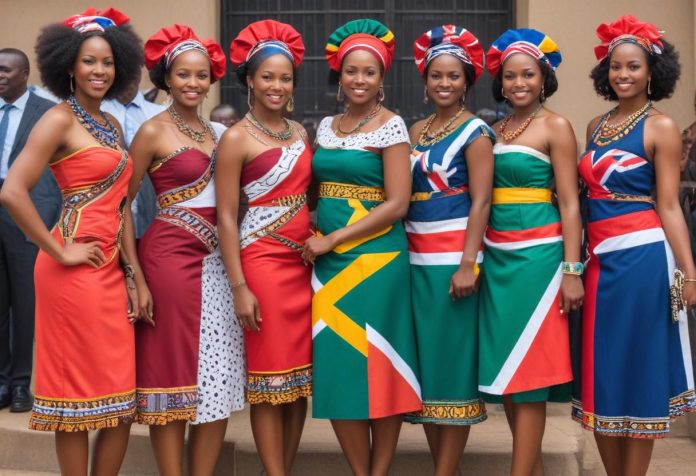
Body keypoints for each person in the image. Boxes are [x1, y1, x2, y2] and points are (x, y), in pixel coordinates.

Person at [0, 7, 142, 475]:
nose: (100, 71)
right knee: (75, 404)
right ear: (68, 67)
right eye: (89, 61)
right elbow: (12, 191)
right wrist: (57, 249)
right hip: (71, 273)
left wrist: (133, 275)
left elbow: (121, 206)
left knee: (121, 404)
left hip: (109, 270)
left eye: (108, 62)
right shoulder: (57, 120)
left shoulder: (112, 125)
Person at [573, 15, 696, 475]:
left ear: (652, 73)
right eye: (615, 66)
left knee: (638, 369)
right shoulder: (594, 126)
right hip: (597, 260)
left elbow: (669, 205)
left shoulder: (661, 127)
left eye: (633, 67)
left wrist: (689, 273)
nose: (622, 74)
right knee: (602, 371)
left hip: (643, 258)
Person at [124, 24, 245, 476]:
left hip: (219, 266)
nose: (193, 83)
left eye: (201, 75)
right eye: (183, 74)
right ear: (167, 78)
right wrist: (134, 276)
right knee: (171, 375)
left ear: (211, 80)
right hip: (168, 263)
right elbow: (121, 205)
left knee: (217, 375)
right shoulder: (152, 131)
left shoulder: (222, 132)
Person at [304, 19, 422, 476]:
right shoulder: (326, 127)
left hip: (377, 259)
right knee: (339, 365)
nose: (359, 79)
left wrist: (333, 238)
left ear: (382, 78)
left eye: (369, 72)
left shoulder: (392, 126)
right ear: (339, 74)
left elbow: (397, 204)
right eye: (351, 70)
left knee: (381, 363)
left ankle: (380, 470)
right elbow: (314, 191)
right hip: (329, 264)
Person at [478, 28, 583, 476]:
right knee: (511, 373)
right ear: (500, 84)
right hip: (497, 256)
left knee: (531, 374)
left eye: (528, 75)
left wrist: (572, 269)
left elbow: (571, 202)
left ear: (544, 79)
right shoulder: (492, 130)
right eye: (510, 76)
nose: (519, 83)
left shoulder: (556, 126)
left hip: (539, 259)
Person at [217, 20, 311, 476]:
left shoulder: (300, 133)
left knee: (297, 383)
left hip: (303, 265)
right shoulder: (236, 137)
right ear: (250, 80)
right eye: (268, 77)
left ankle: (283, 468)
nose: (277, 85)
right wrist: (239, 287)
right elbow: (226, 216)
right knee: (269, 382)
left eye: (285, 77)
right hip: (263, 264)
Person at [404, 25, 493, 476]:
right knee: (427, 371)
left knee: (453, 367)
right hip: (414, 257)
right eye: (436, 75)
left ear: (467, 81)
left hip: (453, 258)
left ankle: (444, 471)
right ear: (425, 80)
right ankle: (445, 467)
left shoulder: (477, 131)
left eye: (453, 76)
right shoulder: (416, 130)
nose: (444, 83)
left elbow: (482, 201)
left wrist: (467, 264)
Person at [0, 48, 58, 413]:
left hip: (24, 211)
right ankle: (2, 381)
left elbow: (54, 175)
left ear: (24, 74)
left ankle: (21, 383)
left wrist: (45, 220)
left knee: (24, 302)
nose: (0, 75)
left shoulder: (48, 112)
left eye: (5, 70)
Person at [101, 67, 165, 239]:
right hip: (106, 213)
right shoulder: (96, 114)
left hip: (154, 209)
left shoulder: (160, 114)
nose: (128, 78)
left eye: (132, 71)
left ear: (139, 73)